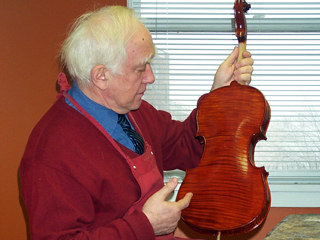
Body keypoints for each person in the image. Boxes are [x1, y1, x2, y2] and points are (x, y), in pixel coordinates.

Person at [19, 5, 254, 240]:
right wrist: (146, 225)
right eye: (140, 68)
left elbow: (187, 144)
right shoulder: (52, 153)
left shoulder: (135, 111)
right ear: (101, 76)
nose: (151, 78)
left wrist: (218, 96)